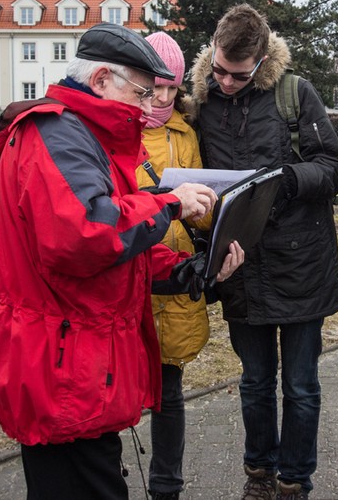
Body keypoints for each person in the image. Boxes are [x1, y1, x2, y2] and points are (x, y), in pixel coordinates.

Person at [0, 22, 243, 500]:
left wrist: (191, 270)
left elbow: (119, 249)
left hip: (78, 365)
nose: (149, 107)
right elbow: (85, 234)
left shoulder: (84, 137)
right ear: (100, 80)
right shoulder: (55, 135)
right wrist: (171, 203)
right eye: (142, 93)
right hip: (62, 369)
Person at [188, 4, 338, 500]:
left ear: (261, 60)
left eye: (238, 75)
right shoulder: (201, 101)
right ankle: (259, 473)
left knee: (300, 386)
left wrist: (284, 180)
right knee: (255, 382)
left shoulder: (294, 93)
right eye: (218, 70)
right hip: (241, 264)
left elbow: (334, 166)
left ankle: (295, 478)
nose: (226, 82)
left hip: (301, 262)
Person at [136, 31, 210, 500]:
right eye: (154, 88)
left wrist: (208, 210)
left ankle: (167, 487)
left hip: (174, 274)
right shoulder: (115, 130)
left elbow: (203, 198)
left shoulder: (184, 131)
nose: (162, 98)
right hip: (132, 274)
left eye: (171, 89)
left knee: (168, 394)